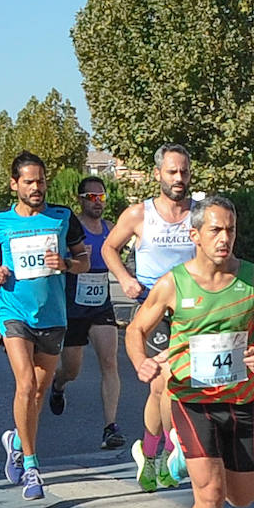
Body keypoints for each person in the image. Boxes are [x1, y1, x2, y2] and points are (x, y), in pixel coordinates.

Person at [125, 196, 254, 508]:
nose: (224, 238)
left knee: (244, 498)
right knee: (209, 495)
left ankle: (178, 458)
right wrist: (141, 362)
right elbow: (136, 329)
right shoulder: (174, 283)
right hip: (191, 400)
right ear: (194, 235)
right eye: (215, 230)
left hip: (240, 399)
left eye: (230, 229)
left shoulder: (251, 279)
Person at [0, 151, 90, 500]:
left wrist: (68, 263)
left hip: (53, 316)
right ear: (15, 184)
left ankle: (15, 439)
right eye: (29, 181)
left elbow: (85, 260)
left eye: (41, 180)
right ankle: (32, 467)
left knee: (39, 393)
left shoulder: (62, 217)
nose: (36, 187)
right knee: (25, 384)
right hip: (14, 311)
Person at [102, 144, 197, 488]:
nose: (179, 179)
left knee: (173, 388)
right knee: (162, 384)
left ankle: (152, 451)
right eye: (172, 172)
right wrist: (125, 279)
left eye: (184, 172)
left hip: (191, 311)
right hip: (152, 309)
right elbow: (108, 248)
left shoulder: (199, 215)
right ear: (158, 174)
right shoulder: (139, 215)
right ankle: (172, 450)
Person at [51, 176, 125, 448]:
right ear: (80, 199)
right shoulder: (73, 229)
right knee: (72, 370)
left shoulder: (112, 230)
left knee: (109, 362)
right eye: (91, 197)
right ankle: (58, 385)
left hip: (101, 306)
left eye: (101, 197)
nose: (97, 202)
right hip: (72, 309)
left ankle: (110, 426)